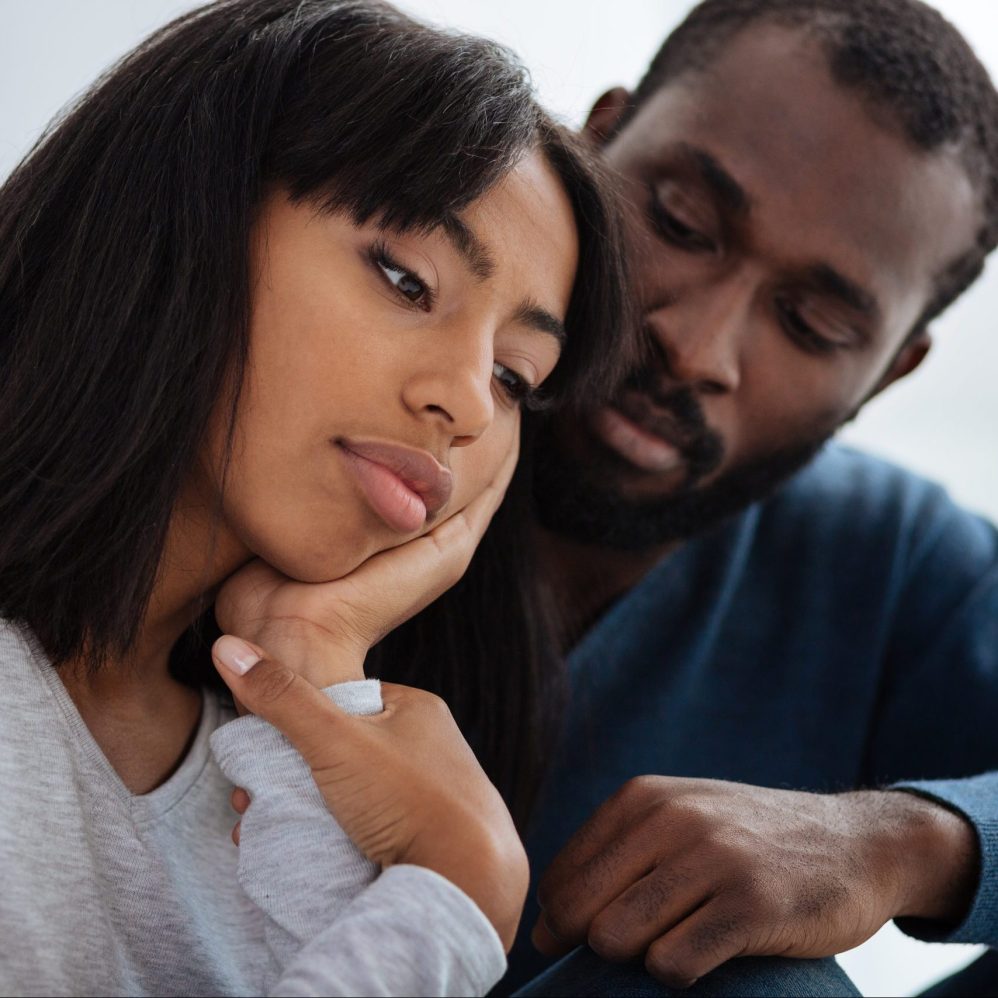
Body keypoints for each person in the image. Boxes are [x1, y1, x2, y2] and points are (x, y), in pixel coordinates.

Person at [0, 0, 635, 994]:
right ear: (190, 208)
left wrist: (315, 651)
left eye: (514, 375)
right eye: (406, 279)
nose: (470, 403)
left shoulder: (282, 787)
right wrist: (456, 893)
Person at [446, 0, 997, 993]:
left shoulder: (895, 558)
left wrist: (900, 845)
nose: (696, 347)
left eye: (811, 322)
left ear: (887, 373)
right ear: (594, 139)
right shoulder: (342, 395)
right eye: (679, 223)